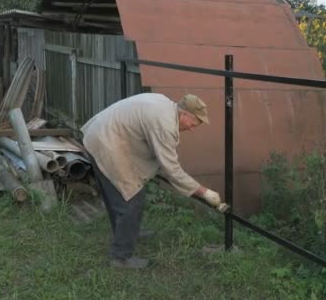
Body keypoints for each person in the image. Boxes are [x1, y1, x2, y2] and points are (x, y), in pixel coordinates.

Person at [81, 93, 224, 269]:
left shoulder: (164, 104)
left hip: (102, 133)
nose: (192, 129)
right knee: (131, 200)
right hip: (105, 142)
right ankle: (121, 258)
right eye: (193, 124)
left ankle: (127, 233)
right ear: (184, 114)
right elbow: (171, 168)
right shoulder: (164, 124)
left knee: (121, 196)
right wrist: (203, 192)